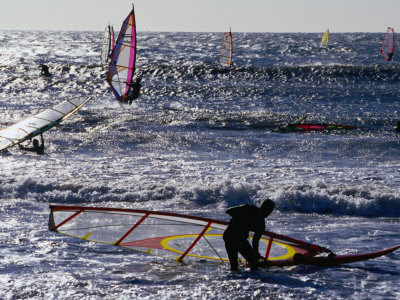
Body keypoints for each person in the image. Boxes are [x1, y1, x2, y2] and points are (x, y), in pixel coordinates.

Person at [223, 199, 275, 272]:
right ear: (266, 209)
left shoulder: (249, 208)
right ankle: (251, 280)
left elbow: (255, 241)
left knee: (234, 267)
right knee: (254, 265)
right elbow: (229, 211)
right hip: (236, 238)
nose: (269, 213)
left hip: (229, 236)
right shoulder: (250, 211)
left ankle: (237, 281)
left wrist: (256, 254)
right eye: (269, 211)